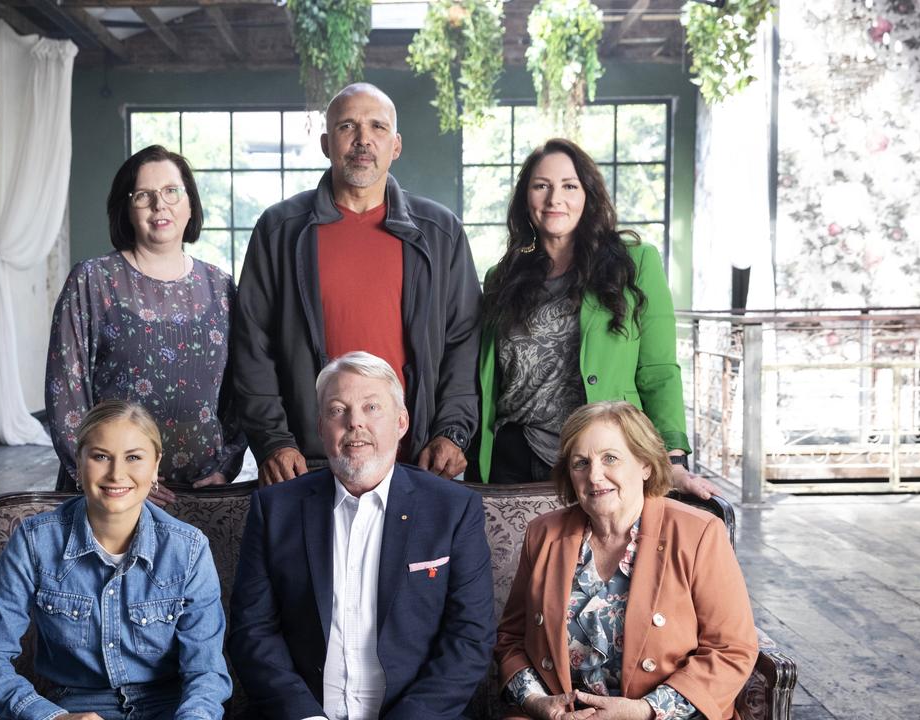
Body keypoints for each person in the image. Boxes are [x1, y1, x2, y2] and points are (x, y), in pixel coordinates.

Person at [233, 83, 481, 485]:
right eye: (348, 126)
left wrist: (451, 432)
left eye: (378, 127)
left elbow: (463, 342)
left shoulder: (440, 232)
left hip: (415, 457)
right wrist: (274, 441)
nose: (364, 139)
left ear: (395, 145)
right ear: (327, 143)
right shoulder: (280, 230)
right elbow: (252, 345)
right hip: (308, 460)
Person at [228, 351, 496, 719]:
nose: (355, 423)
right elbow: (252, 631)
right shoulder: (275, 509)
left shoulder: (453, 509)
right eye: (338, 410)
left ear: (401, 422)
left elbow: (470, 638)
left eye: (372, 408)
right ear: (321, 426)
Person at [472, 138, 714, 499]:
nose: (555, 199)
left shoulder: (635, 264)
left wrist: (674, 460)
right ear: (527, 198)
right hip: (514, 456)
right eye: (542, 186)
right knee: (521, 557)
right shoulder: (501, 276)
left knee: (595, 555)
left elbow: (659, 371)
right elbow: (488, 380)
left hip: (602, 458)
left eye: (569, 186)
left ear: (588, 194)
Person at [0, 400, 232, 720]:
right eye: (100, 456)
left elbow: (206, 672)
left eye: (134, 457)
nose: (117, 473)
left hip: (171, 706)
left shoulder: (188, 549)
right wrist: (51, 717)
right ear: (79, 462)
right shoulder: (35, 542)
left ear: (156, 465)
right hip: (74, 705)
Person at [494, 401, 757, 720]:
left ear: (645, 464)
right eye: (580, 463)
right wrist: (535, 701)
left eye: (610, 459)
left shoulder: (699, 533)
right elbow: (511, 637)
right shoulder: (543, 534)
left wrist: (645, 710)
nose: (594, 476)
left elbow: (731, 650)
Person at [46, 145, 244, 502]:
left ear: (190, 204)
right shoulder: (92, 281)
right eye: (144, 196)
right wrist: (114, 480)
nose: (160, 205)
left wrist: (225, 465)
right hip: (114, 492)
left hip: (201, 494)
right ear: (127, 208)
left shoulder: (221, 286)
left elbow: (240, 388)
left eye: (171, 191)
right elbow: (66, 394)